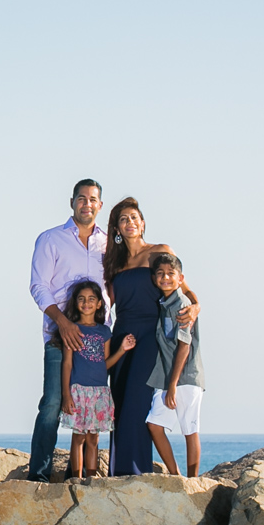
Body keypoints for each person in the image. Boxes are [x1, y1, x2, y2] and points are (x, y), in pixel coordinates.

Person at [103, 196, 200, 476]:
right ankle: (120, 472)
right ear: (117, 230)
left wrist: (195, 307)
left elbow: (185, 288)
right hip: (122, 335)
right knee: (119, 407)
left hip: (151, 337)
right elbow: (107, 303)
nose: (129, 223)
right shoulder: (115, 263)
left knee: (137, 404)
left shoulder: (159, 251)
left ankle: (136, 472)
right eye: (123, 219)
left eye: (134, 217)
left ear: (142, 223)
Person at [27, 180, 106, 478]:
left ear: (100, 205)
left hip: (97, 342)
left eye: (93, 199)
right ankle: (39, 476)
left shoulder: (108, 243)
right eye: (82, 198)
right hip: (60, 338)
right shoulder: (51, 239)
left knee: (91, 409)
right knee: (52, 404)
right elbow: (38, 286)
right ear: (72, 202)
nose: (87, 204)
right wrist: (63, 322)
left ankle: (85, 474)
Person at [56, 279, 131, 479]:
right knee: (78, 438)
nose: (86, 302)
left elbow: (104, 364)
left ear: (99, 303)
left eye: (91, 299)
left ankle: (91, 479)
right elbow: (67, 364)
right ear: (75, 303)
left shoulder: (104, 332)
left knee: (93, 439)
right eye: (81, 299)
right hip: (79, 391)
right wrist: (66, 395)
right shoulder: (71, 330)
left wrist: (122, 350)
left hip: (100, 392)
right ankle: (76, 478)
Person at [144, 252, 204, 475]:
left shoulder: (182, 304)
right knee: (154, 425)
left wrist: (172, 385)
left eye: (171, 273)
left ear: (181, 278)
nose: (165, 278)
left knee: (189, 429)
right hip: (169, 377)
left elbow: (184, 346)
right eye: (160, 274)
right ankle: (175, 475)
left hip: (185, 377)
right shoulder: (163, 303)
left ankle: (192, 480)